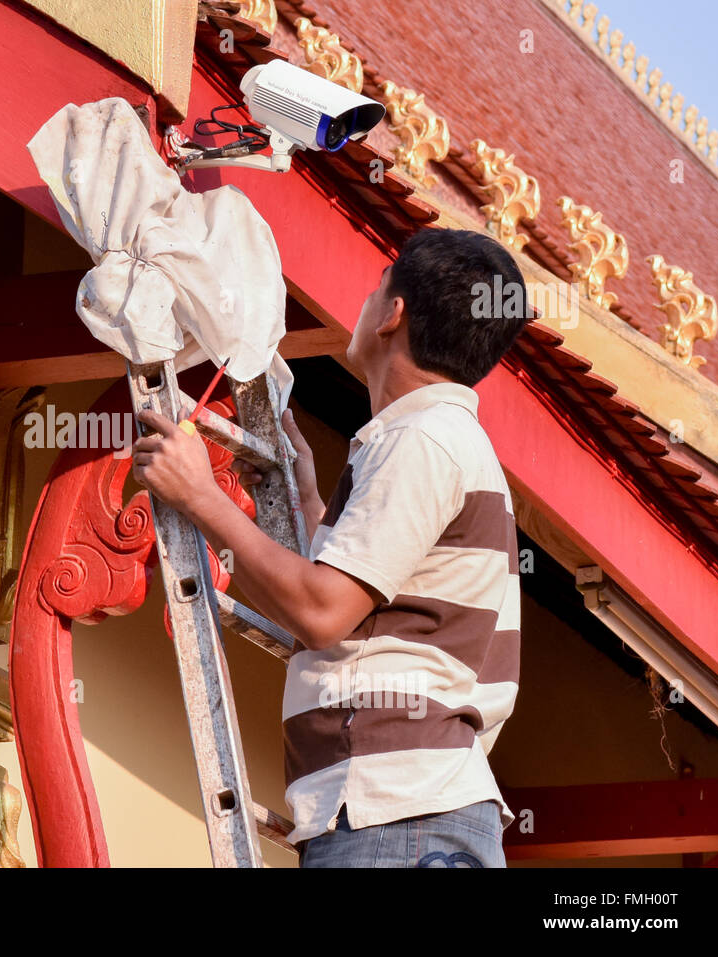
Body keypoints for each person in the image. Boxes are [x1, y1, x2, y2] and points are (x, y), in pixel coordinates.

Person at [131, 228, 528, 867]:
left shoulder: (423, 441)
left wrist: (200, 498)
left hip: (393, 814)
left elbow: (322, 614)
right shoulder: (440, 440)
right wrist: (314, 507)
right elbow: (372, 605)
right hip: (410, 813)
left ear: (393, 314)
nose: (368, 300)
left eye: (378, 288)